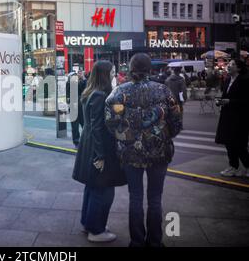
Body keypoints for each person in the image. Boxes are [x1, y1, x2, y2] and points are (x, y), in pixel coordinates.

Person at [105, 53, 183, 247]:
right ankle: (155, 241)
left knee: (136, 197)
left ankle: (137, 241)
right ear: (150, 69)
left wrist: (125, 137)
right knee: (155, 198)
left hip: (131, 152)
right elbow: (176, 122)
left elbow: (111, 122)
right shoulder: (164, 91)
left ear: (131, 69)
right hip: (159, 152)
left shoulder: (119, 93)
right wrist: (164, 137)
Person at [72, 61, 127, 243]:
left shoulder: (90, 93)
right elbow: (97, 128)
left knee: (93, 186)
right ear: (104, 74)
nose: (114, 74)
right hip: (98, 147)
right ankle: (96, 230)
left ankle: (89, 223)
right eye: (112, 71)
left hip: (90, 145)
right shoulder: (100, 95)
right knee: (103, 190)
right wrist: (100, 155)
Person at [215, 59, 249, 178]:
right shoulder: (228, 79)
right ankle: (233, 166)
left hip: (239, 117)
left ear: (239, 68)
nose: (229, 66)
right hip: (227, 115)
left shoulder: (244, 80)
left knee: (239, 144)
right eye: (229, 64)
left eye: (233, 64)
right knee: (228, 142)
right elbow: (226, 96)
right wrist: (220, 101)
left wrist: (230, 101)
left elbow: (246, 101)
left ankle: (247, 165)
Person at [66, 70, 87, 147]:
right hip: (74, 108)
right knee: (75, 127)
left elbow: (85, 87)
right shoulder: (70, 84)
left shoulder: (79, 83)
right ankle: (77, 142)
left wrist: (83, 78)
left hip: (80, 108)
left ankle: (82, 140)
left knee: (84, 124)